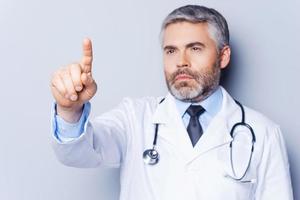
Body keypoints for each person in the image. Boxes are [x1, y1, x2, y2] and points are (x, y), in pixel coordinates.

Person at [50, 5, 293, 200]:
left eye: (195, 48)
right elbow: (79, 153)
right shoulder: (135, 118)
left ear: (223, 56)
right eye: (171, 51)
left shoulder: (263, 133)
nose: (181, 61)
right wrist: (69, 109)